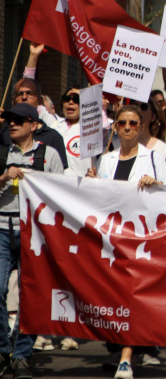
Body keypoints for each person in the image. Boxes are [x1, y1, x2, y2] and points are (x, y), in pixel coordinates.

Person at [85, 104, 166, 379]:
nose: (127, 128)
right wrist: (91, 183)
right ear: (115, 127)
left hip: (140, 239)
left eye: (133, 123)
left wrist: (156, 183)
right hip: (112, 239)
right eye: (122, 123)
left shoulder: (154, 158)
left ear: (141, 127)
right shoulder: (106, 159)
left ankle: (126, 355)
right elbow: (100, 199)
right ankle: (123, 346)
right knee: (113, 294)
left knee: (133, 295)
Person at [0, 103, 64, 379]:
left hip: (34, 233)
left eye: (18, 120)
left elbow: (62, 194)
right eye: (9, 119)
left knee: (31, 295)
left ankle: (21, 355)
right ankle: (3, 350)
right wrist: (4, 176)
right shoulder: (2, 153)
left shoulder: (49, 155)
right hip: (2, 228)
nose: (12, 124)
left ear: (34, 125)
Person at [52, 86, 102, 177]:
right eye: (67, 99)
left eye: (76, 100)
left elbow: (99, 116)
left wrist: (85, 97)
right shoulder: (53, 126)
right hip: (57, 182)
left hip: (83, 182)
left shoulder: (91, 128)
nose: (71, 102)